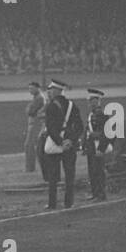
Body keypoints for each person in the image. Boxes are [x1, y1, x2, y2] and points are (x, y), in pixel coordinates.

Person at [43, 80, 84, 209]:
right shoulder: (72, 105)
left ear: (56, 90)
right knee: (70, 174)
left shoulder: (51, 106)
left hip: (57, 143)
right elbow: (79, 126)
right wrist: (71, 140)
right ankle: (69, 202)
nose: (49, 92)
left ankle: (52, 203)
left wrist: (60, 142)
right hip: (70, 143)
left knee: (53, 176)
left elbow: (50, 128)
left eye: (51, 89)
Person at [83, 88, 111, 202]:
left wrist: (101, 148)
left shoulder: (102, 114)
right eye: (89, 100)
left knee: (99, 171)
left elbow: (107, 133)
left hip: (98, 145)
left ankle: (101, 194)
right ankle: (95, 193)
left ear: (97, 100)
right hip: (91, 146)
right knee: (92, 171)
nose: (90, 103)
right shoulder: (92, 114)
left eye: (92, 100)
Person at [24, 80, 46, 174]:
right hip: (34, 123)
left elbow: (30, 111)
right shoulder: (37, 97)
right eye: (29, 88)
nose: (30, 90)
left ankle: (30, 168)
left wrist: (28, 108)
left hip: (35, 124)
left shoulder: (39, 98)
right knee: (30, 145)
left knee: (29, 145)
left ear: (37, 88)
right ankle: (31, 167)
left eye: (32, 88)